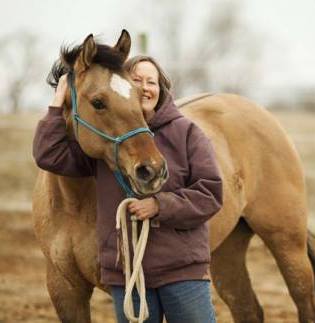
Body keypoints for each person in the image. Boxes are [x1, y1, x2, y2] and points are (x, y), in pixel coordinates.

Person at [33, 54, 223, 323]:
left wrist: (159, 205)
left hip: (181, 271)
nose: (145, 87)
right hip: (129, 275)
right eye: (137, 81)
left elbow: (210, 194)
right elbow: (48, 155)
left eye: (152, 81)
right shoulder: (109, 145)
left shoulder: (187, 132)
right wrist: (58, 100)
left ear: (161, 87)